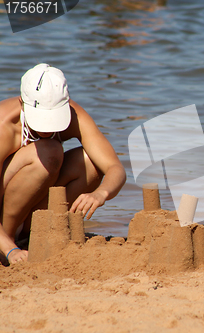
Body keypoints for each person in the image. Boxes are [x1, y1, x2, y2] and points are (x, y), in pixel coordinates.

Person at [0, 63, 126, 265]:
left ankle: (36, 235)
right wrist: (10, 250)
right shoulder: (4, 125)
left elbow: (115, 168)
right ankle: (8, 241)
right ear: (22, 103)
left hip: (29, 211)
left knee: (90, 165)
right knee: (50, 151)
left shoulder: (75, 115)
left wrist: (101, 193)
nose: (48, 127)